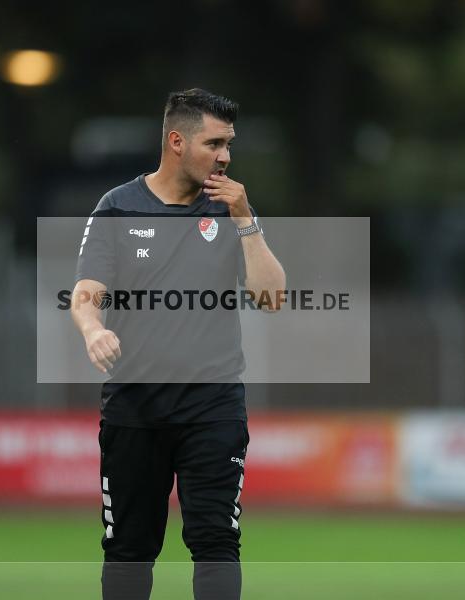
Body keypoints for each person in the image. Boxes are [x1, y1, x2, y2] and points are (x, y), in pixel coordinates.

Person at [71, 88, 285, 600]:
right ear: (176, 141)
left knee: (216, 541)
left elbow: (272, 296)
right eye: (214, 143)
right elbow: (85, 294)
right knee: (128, 546)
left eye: (229, 144)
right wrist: (94, 329)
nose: (226, 156)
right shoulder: (118, 207)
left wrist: (246, 220)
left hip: (213, 404)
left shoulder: (232, 210)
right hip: (135, 405)